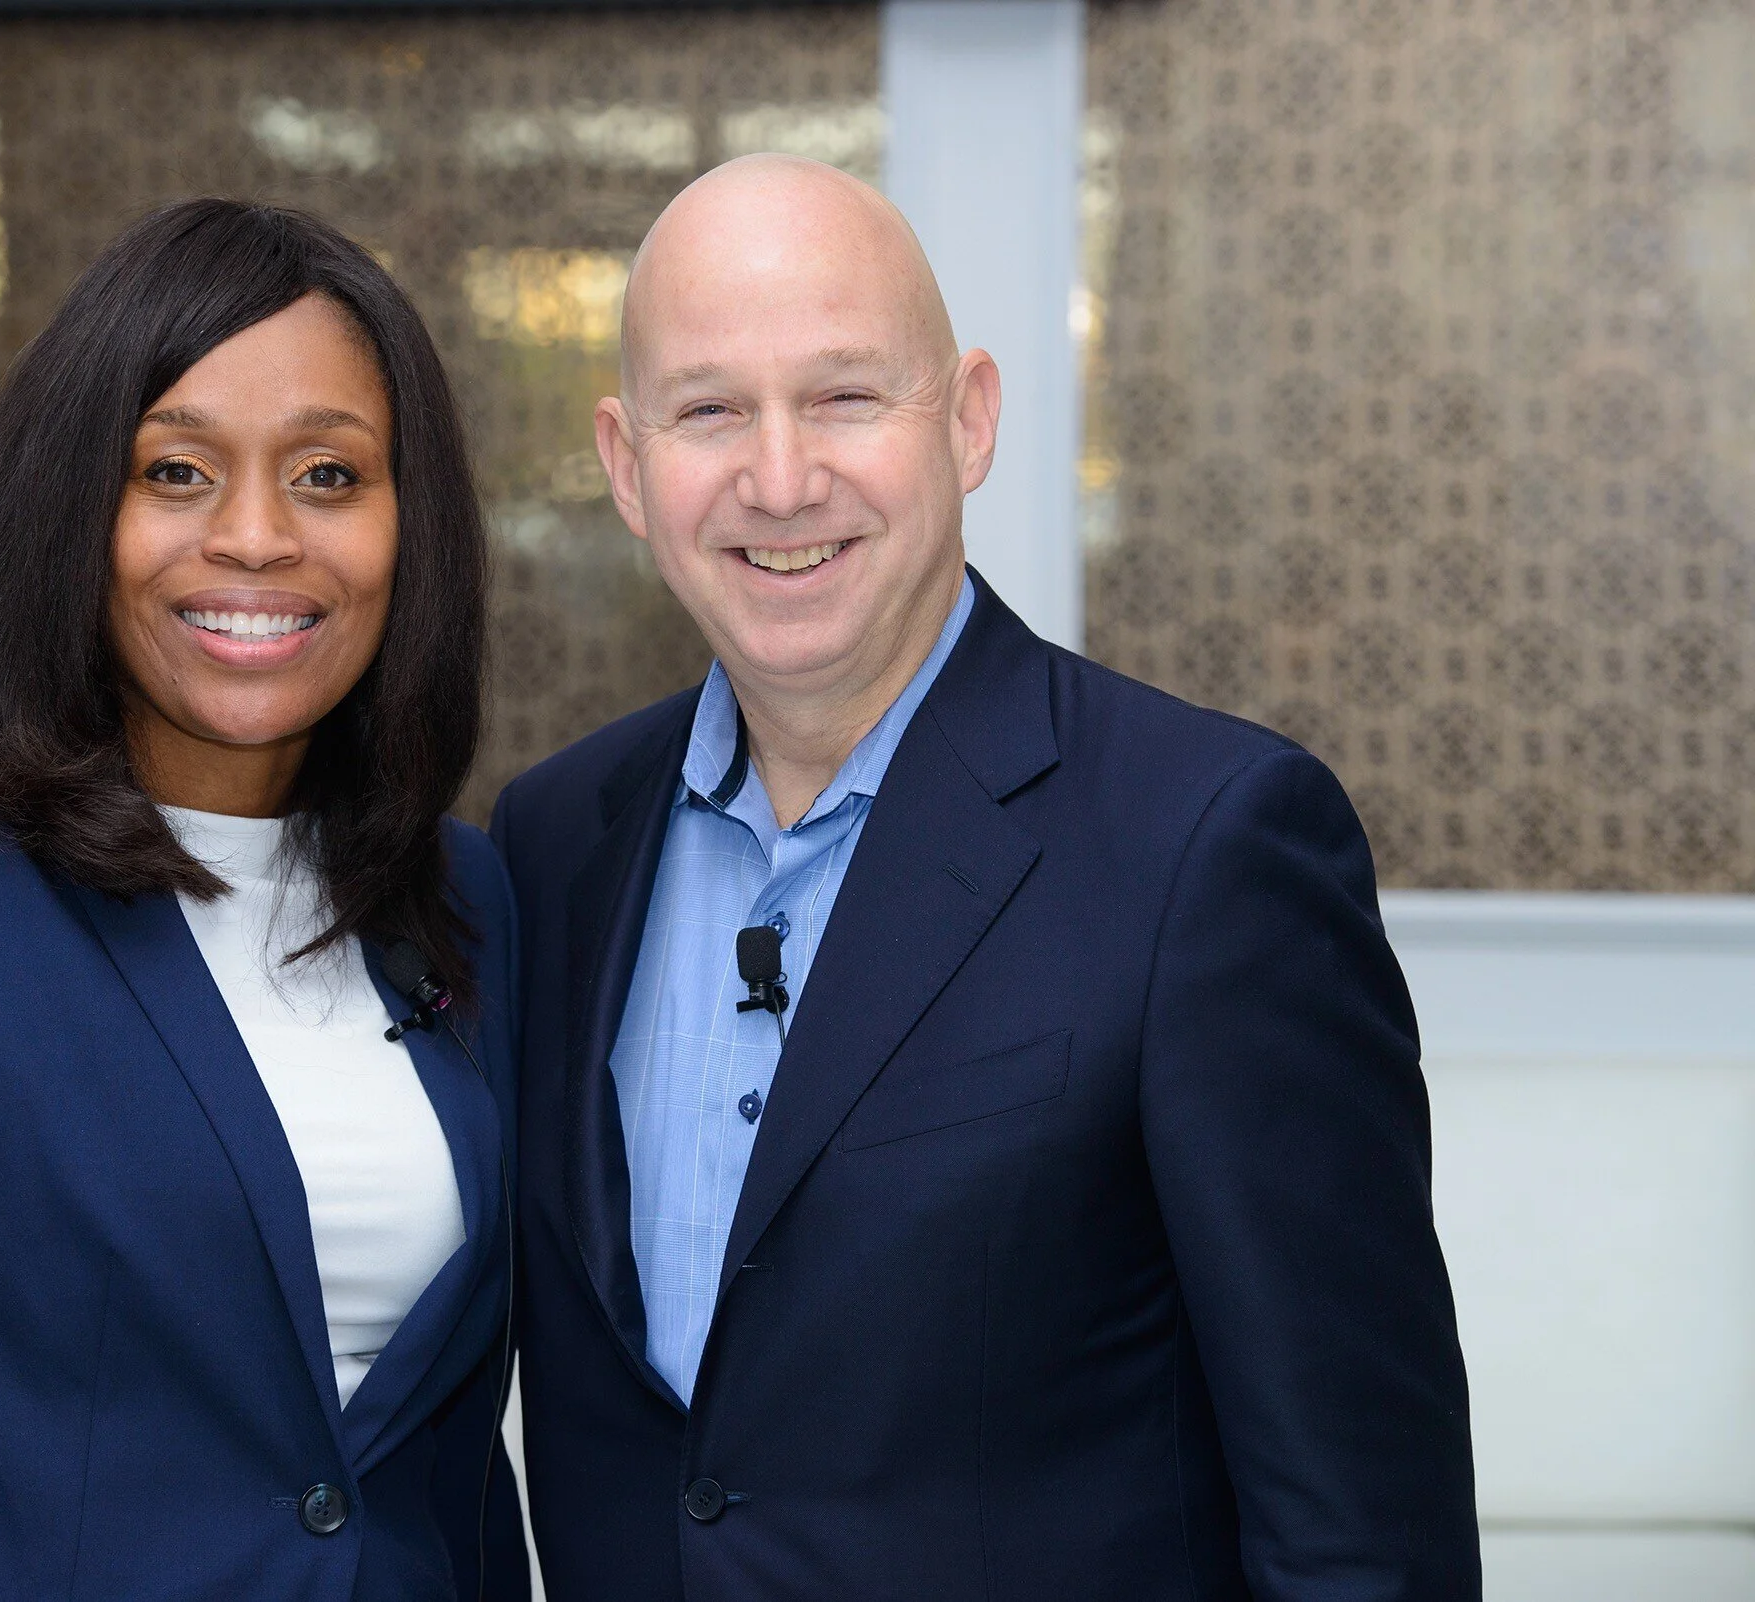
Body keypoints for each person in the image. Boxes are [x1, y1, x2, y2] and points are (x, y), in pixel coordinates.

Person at [491, 155, 1478, 1599]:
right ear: (628, 467)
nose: (779, 477)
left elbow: (1358, 1528)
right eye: (710, 410)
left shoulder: (1211, 848)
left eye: (842, 396)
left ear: (967, 422)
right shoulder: (550, 841)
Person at [0, 199, 526, 1602]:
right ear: (76, 503)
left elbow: (443, 1474)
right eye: (178, 471)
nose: (257, 538)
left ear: (407, 525)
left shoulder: (461, 891)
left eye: (328, 475)